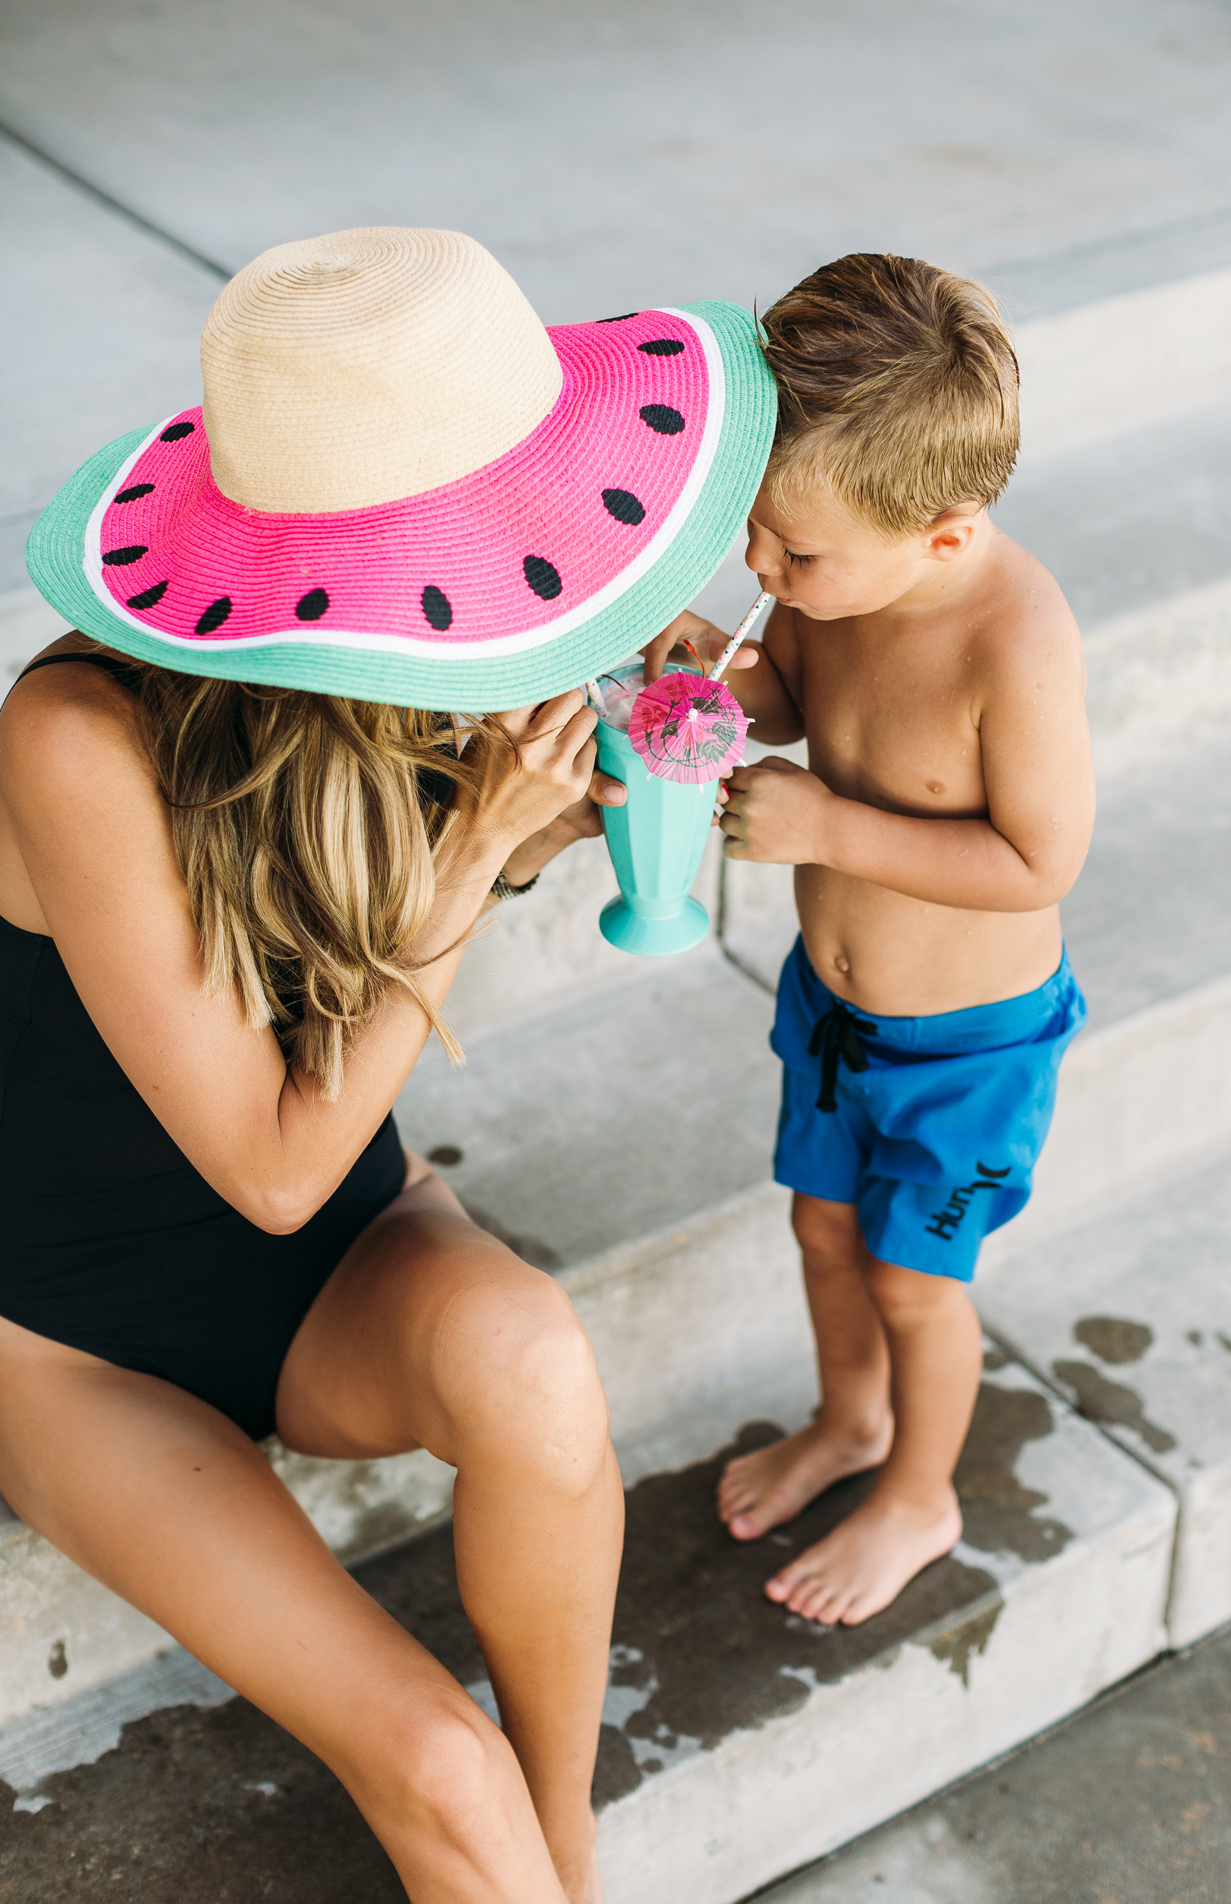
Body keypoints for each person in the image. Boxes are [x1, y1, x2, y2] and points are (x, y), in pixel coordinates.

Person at [1, 227, 774, 1900]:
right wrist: (469, 862)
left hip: (357, 1244)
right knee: (432, 1760)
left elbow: (731, 675)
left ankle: (570, 1841)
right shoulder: (74, 736)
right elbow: (270, 1173)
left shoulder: (451, 652)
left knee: (538, 1364)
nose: (517, 586)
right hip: (77, 1338)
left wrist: (624, 788)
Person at [645, 253, 1094, 1628]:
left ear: (945, 535)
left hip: (969, 1051)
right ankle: (847, 1424)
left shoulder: (1009, 642)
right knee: (824, 1231)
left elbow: (1037, 864)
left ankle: (921, 1488)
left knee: (914, 1276)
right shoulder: (828, 563)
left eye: (794, 554)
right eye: (757, 538)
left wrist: (829, 831)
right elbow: (783, 691)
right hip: (833, 1018)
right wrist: (704, 655)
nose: (764, 567)